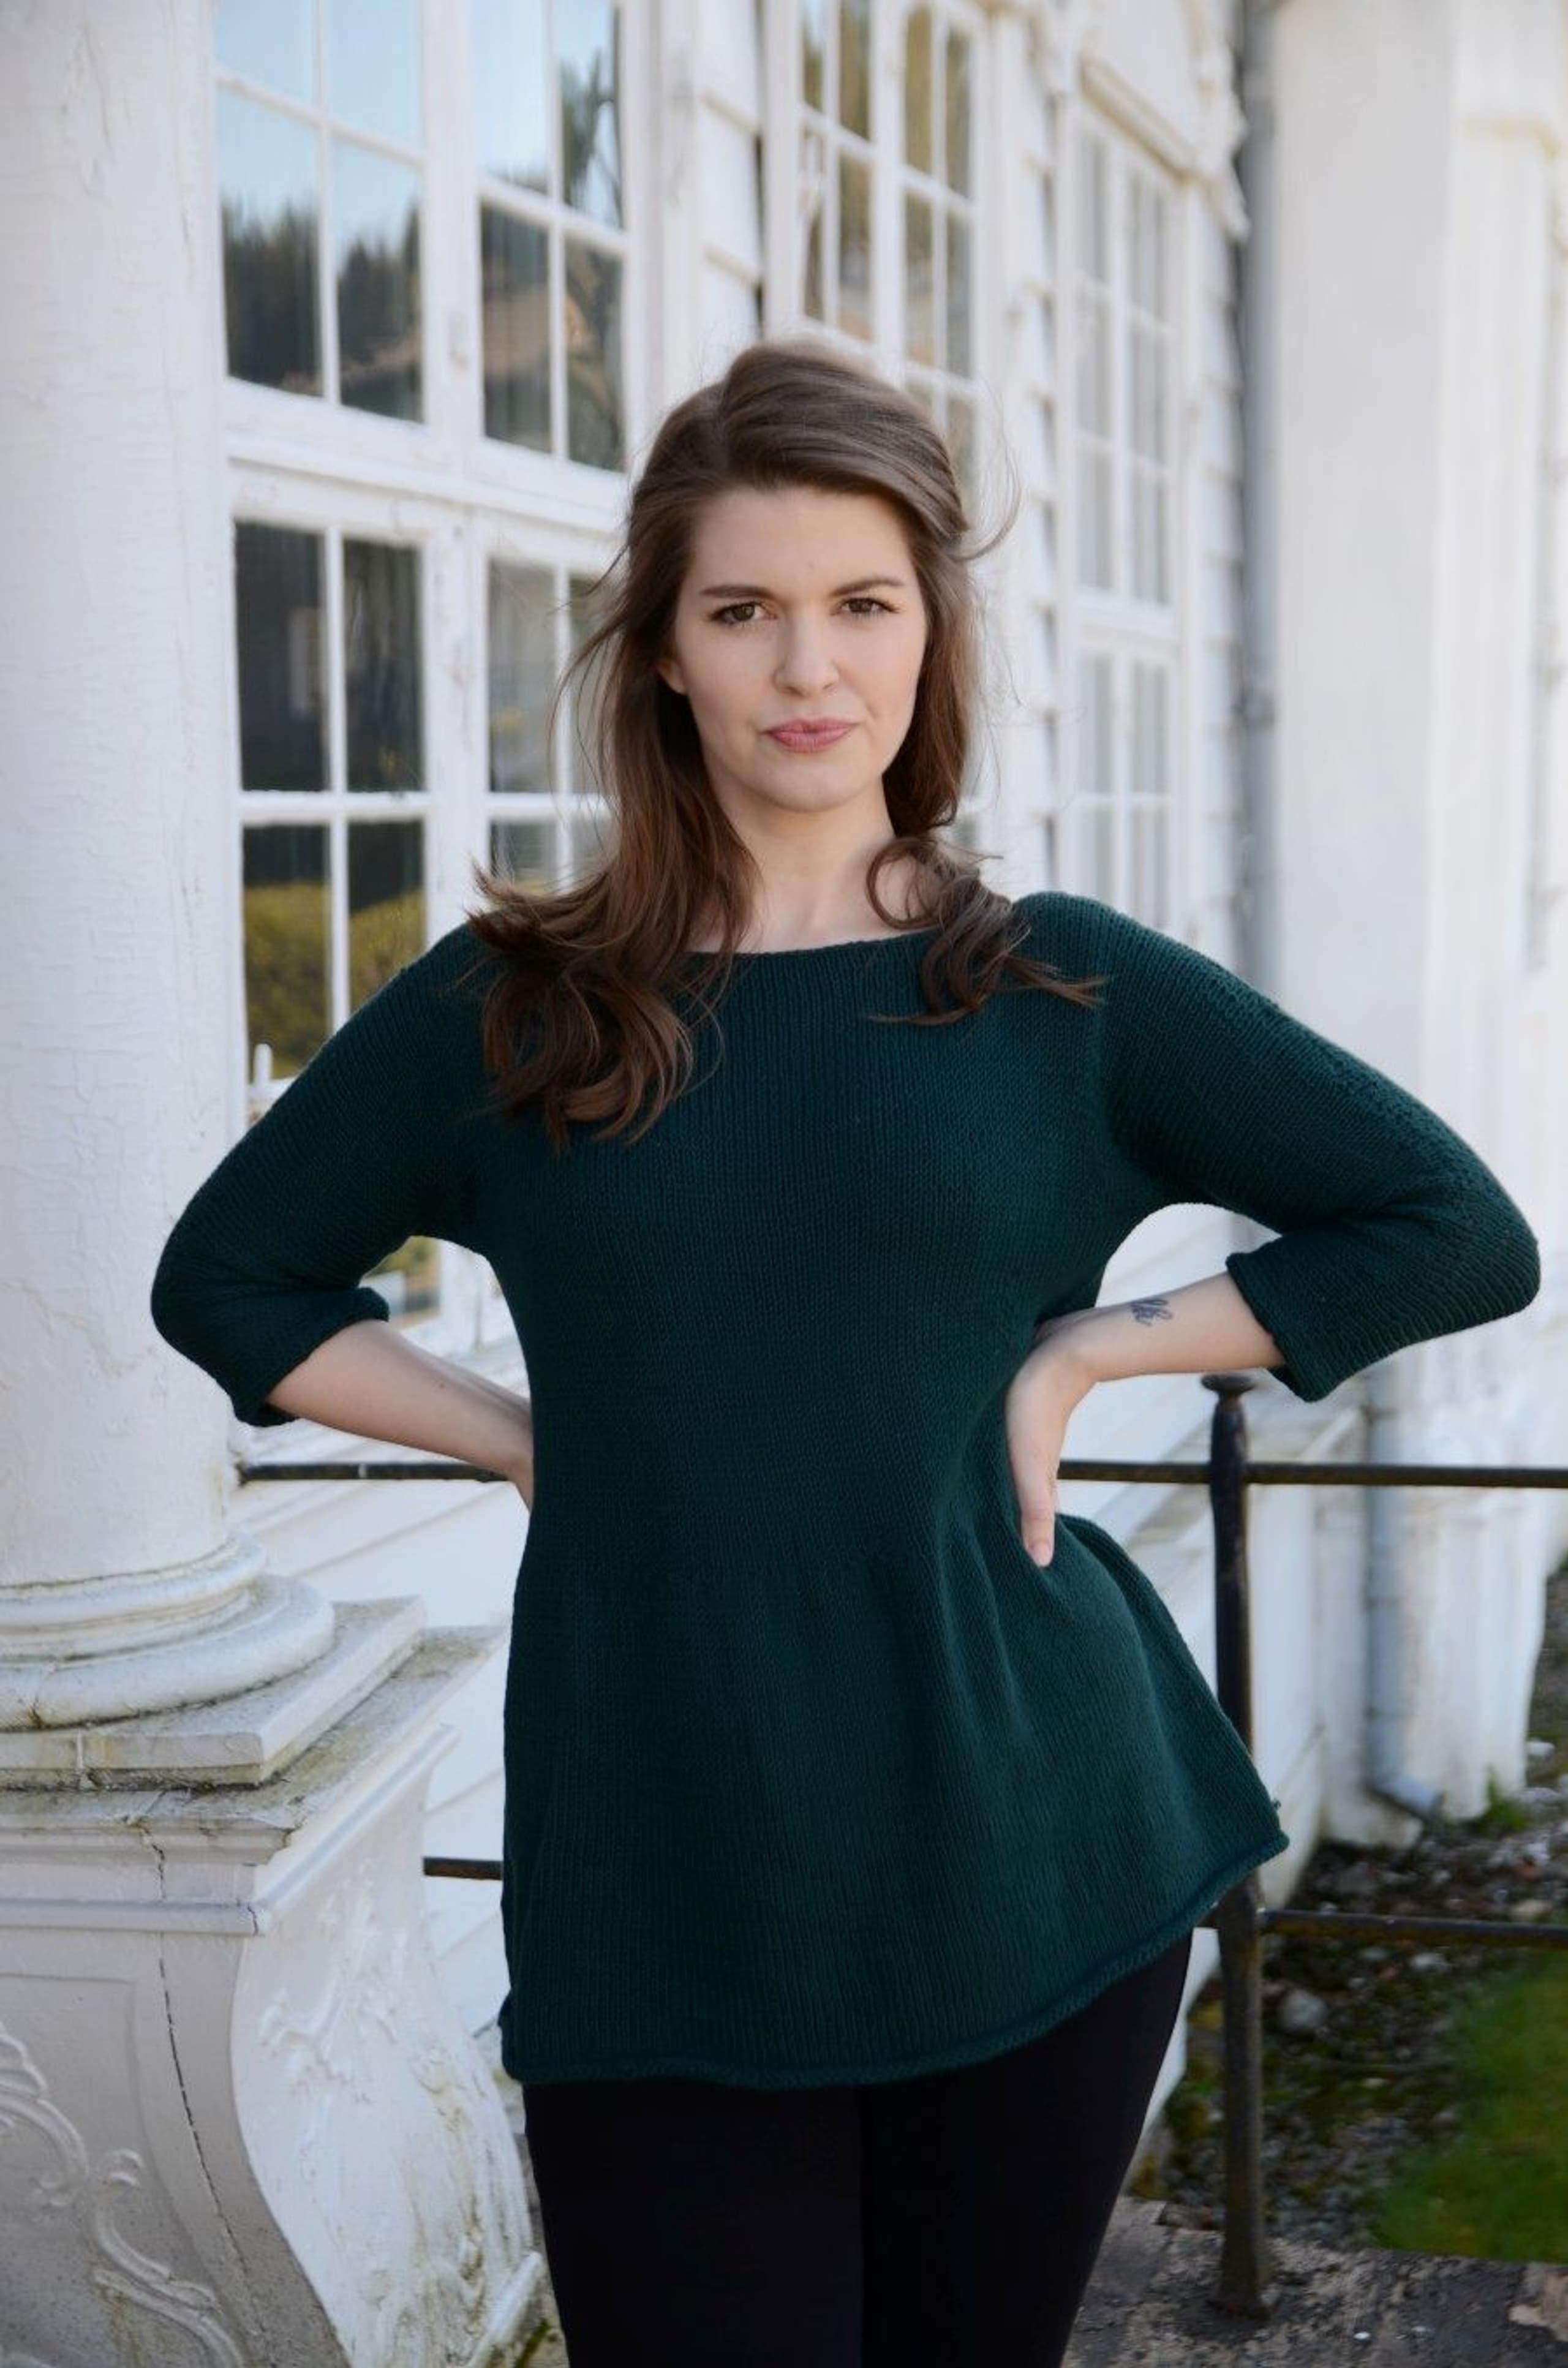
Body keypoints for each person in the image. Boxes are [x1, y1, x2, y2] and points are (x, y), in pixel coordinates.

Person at [149, 335, 1541, 2367]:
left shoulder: (1060, 989)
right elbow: (230, 1282)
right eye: (745, 610)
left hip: (1033, 1835)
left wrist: (1084, 1356)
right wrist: (531, 1439)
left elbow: (1455, 1230)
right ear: (666, 654)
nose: (811, 666)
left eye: (864, 603)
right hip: (668, 1862)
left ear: (927, 633)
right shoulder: (521, 1008)